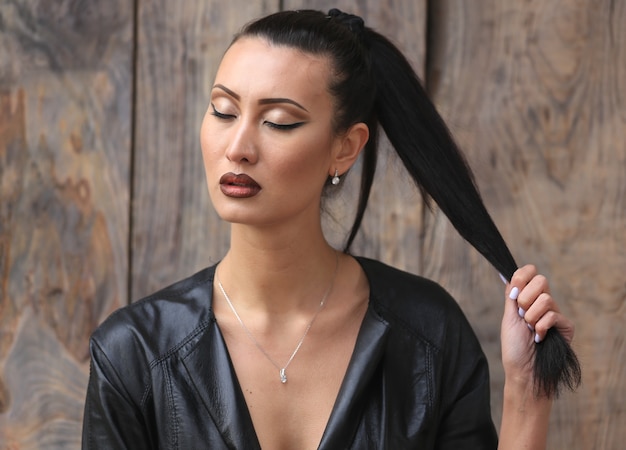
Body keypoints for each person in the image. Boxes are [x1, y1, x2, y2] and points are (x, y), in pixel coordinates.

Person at [82, 9, 579, 449]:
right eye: (223, 110)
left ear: (345, 147)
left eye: (278, 121)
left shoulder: (429, 335)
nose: (237, 147)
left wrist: (527, 394)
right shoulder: (134, 352)